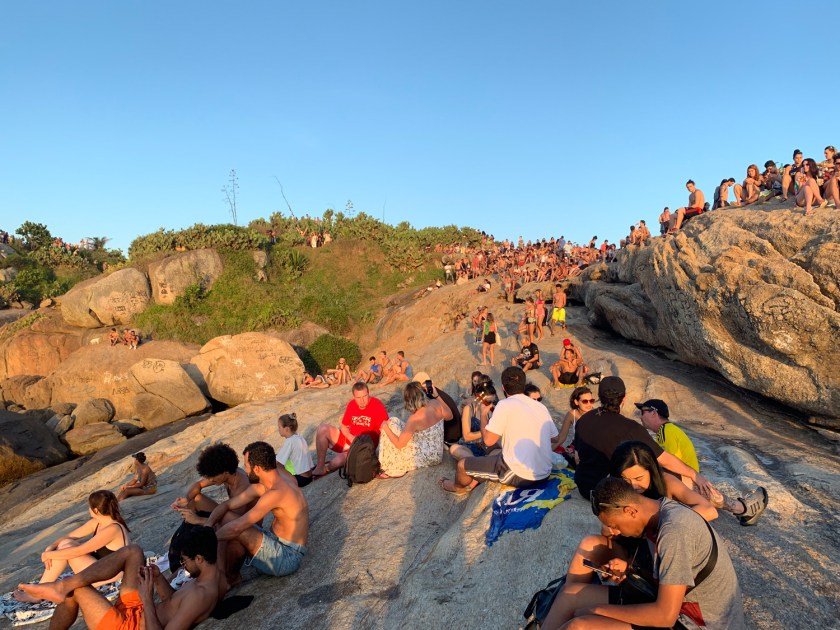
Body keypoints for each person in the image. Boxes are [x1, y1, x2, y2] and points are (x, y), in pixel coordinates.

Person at [542, 476, 746, 630]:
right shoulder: (659, 511)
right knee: (569, 595)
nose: (613, 532)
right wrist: (630, 570)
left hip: (696, 622)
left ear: (630, 511)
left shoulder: (675, 530)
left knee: (579, 625)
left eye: (614, 525)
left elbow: (665, 615)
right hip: (671, 604)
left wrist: (597, 610)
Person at [19, 527, 224, 630]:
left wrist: (146, 598)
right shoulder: (206, 581)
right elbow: (173, 603)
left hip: (129, 626)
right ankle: (62, 585)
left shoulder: (201, 595)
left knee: (78, 591)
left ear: (200, 558)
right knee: (134, 552)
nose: (183, 565)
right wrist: (158, 578)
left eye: (185, 560)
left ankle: (64, 588)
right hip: (139, 611)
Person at [573, 376, 712, 500]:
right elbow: (664, 460)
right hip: (610, 492)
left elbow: (578, 457)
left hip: (585, 488)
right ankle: (726, 503)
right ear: (624, 398)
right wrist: (693, 474)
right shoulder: (631, 428)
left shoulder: (583, 420)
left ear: (599, 397)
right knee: (665, 476)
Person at [636, 400, 768, 525]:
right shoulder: (664, 432)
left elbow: (670, 462)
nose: (640, 417)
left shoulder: (667, 431)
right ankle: (743, 509)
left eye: (642, 412)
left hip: (685, 480)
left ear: (654, 412)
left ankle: (743, 509)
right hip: (686, 479)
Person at [439, 367, 559, 494]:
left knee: (462, 465)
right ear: (523, 386)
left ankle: (458, 488)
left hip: (519, 474)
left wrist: (484, 416)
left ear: (503, 388)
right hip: (545, 473)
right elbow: (554, 438)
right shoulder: (540, 406)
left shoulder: (505, 404)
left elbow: (488, 441)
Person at [208, 441, 309, 580]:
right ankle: (228, 576)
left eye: (246, 466)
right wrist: (207, 526)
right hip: (276, 542)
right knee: (226, 520)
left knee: (236, 529)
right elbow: (227, 505)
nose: (244, 470)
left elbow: (237, 527)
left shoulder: (276, 493)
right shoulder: (278, 476)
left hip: (287, 557)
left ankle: (225, 579)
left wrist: (207, 540)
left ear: (256, 469)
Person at [13, 491, 130, 604]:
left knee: (69, 551)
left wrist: (48, 555)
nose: (88, 509)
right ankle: (41, 588)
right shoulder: (99, 522)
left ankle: (38, 593)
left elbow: (80, 551)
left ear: (95, 510)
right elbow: (70, 536)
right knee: (66, 543)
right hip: (100, 568)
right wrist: (51, 546)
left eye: (89, 507)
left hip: (111, 575)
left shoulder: (112, 528)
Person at [311, 382, 389, 476]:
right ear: (353, 396)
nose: (362, 400)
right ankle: (320, 467)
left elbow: (386, 428)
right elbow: (344, 426)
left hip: (363, 447)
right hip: (350, 440)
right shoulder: (352, 405)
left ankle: (327, 468)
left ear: (368, 393)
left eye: (364, 396)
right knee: (322, 429)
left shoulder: (377, 405)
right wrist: (350, 437)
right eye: (358, 398)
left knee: (336, 462)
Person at [378, 381, 448, 478]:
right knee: (393, 421)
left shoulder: (414, 419)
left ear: (409, 401)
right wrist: (437, 396)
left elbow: (399, 444)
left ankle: (391, 467)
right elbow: (450, 416)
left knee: (388, 428)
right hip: (437, 452)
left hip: (428, 457)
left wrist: (385, 427)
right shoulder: (435, 403)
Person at [449, 381, 497, 461]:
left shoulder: (493, 410)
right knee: (454, 449)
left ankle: (476, 463)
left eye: (493, 401)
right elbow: (467, 436)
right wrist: (485, 433)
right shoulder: (469, 409)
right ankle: (477, 462)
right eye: (488, 402)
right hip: (469, 446)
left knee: (500, 451)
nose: (491, 405)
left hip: (486, 447)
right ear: (478, 398)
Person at [554, 386, 595, 459]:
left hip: (592, 448)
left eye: (591, 401)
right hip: (576, 446)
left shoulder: (597, 414)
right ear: (576, 402)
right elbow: (562, 437)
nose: (589, 404)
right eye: (585, 401)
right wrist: (547, 452)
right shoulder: (572, 414)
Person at [276, 413, 314, 488]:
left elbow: (277, 462)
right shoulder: (299, 437)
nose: (278, 429)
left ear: (286, 429)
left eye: (279, 427)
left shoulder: (290, 441)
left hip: (300, 479)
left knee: (274, 466)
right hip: (308, 476)